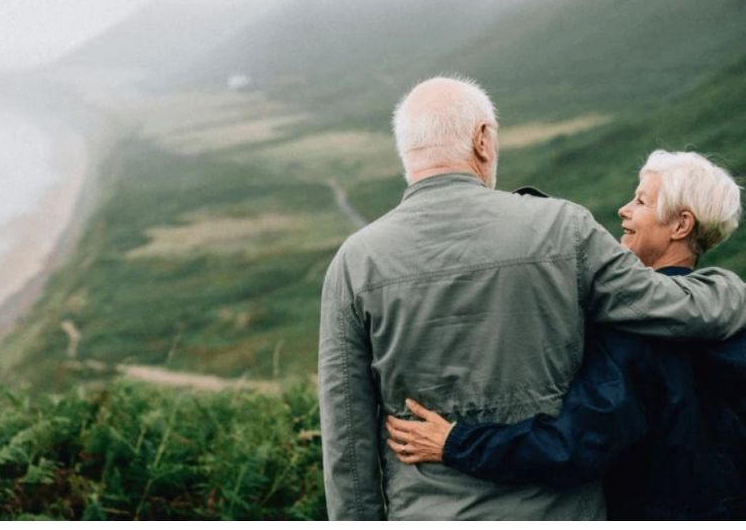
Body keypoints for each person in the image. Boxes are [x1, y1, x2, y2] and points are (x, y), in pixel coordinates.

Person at [318, 76, 746, 521]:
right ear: (482, 139)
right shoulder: (564, 229)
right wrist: (730, 288)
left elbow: (346, 437)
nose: (626, 209)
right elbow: (672, 307)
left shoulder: (354, 262)